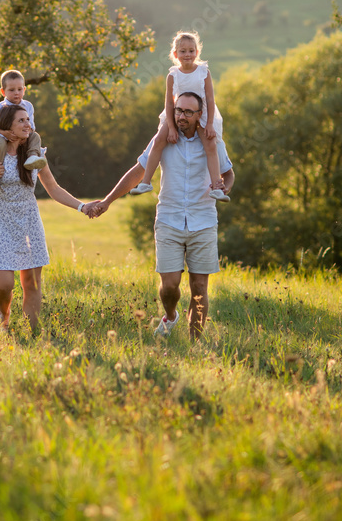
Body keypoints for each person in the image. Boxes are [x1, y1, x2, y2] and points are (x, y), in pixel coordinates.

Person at [85, 91, 234, 342]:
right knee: (169, 286)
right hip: (169, 219)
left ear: (200, 115)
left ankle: (195, 345)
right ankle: (171, 315)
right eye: (178, 110)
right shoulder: (163, 139)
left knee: (199, 287)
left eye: (188, 112)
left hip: (203, 220)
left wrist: (224, 187)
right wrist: (108, 201)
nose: (181, 116)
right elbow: (137, 171)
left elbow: (228, 173)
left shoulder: (212, 141)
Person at [0, 103, 89, 332]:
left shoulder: (35, 155)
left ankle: (33, 332)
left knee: (31, 283)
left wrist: (82, 206)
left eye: (28, 120)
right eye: (21, 121)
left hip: (28, 222)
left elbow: (53, 188)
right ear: (7, 126)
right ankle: (4, 315)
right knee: (3, 285)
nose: (27, 124)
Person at [130, 30, 229, 202]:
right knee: (159, 140)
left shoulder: (204, 72)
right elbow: (169, 103)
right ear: (175, 54)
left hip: (202, 112)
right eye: (183, 51)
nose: (187, 54)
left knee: (210, 144)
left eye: (191, 50)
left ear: (197, 52)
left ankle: (216, 186)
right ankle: (146, 182)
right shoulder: (173, 75)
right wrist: (171, 127)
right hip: (178, 112)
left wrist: (209, 123)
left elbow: (210, 99)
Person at [0, 69, 47, 194]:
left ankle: (32, 157)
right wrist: (5, 133)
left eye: (19, 89)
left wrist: (26, 135)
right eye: (12, 90)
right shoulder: (1, 107)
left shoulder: (28, 106)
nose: (16, 93)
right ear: (3, 91)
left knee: (35, 136)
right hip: (0, 136)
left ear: (24, 90)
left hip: (22, 136)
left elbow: (31, 125)